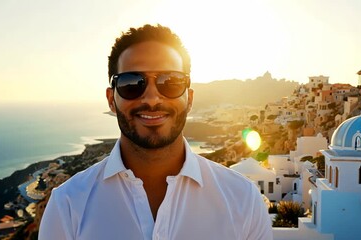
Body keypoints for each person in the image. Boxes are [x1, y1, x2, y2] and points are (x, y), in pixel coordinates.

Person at [39, 24, 273, 240]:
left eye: (170, 82)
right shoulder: (68, 206)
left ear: (189, 99)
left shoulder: (243, 200)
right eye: (132, 83)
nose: (151, 99)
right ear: (112, 100)